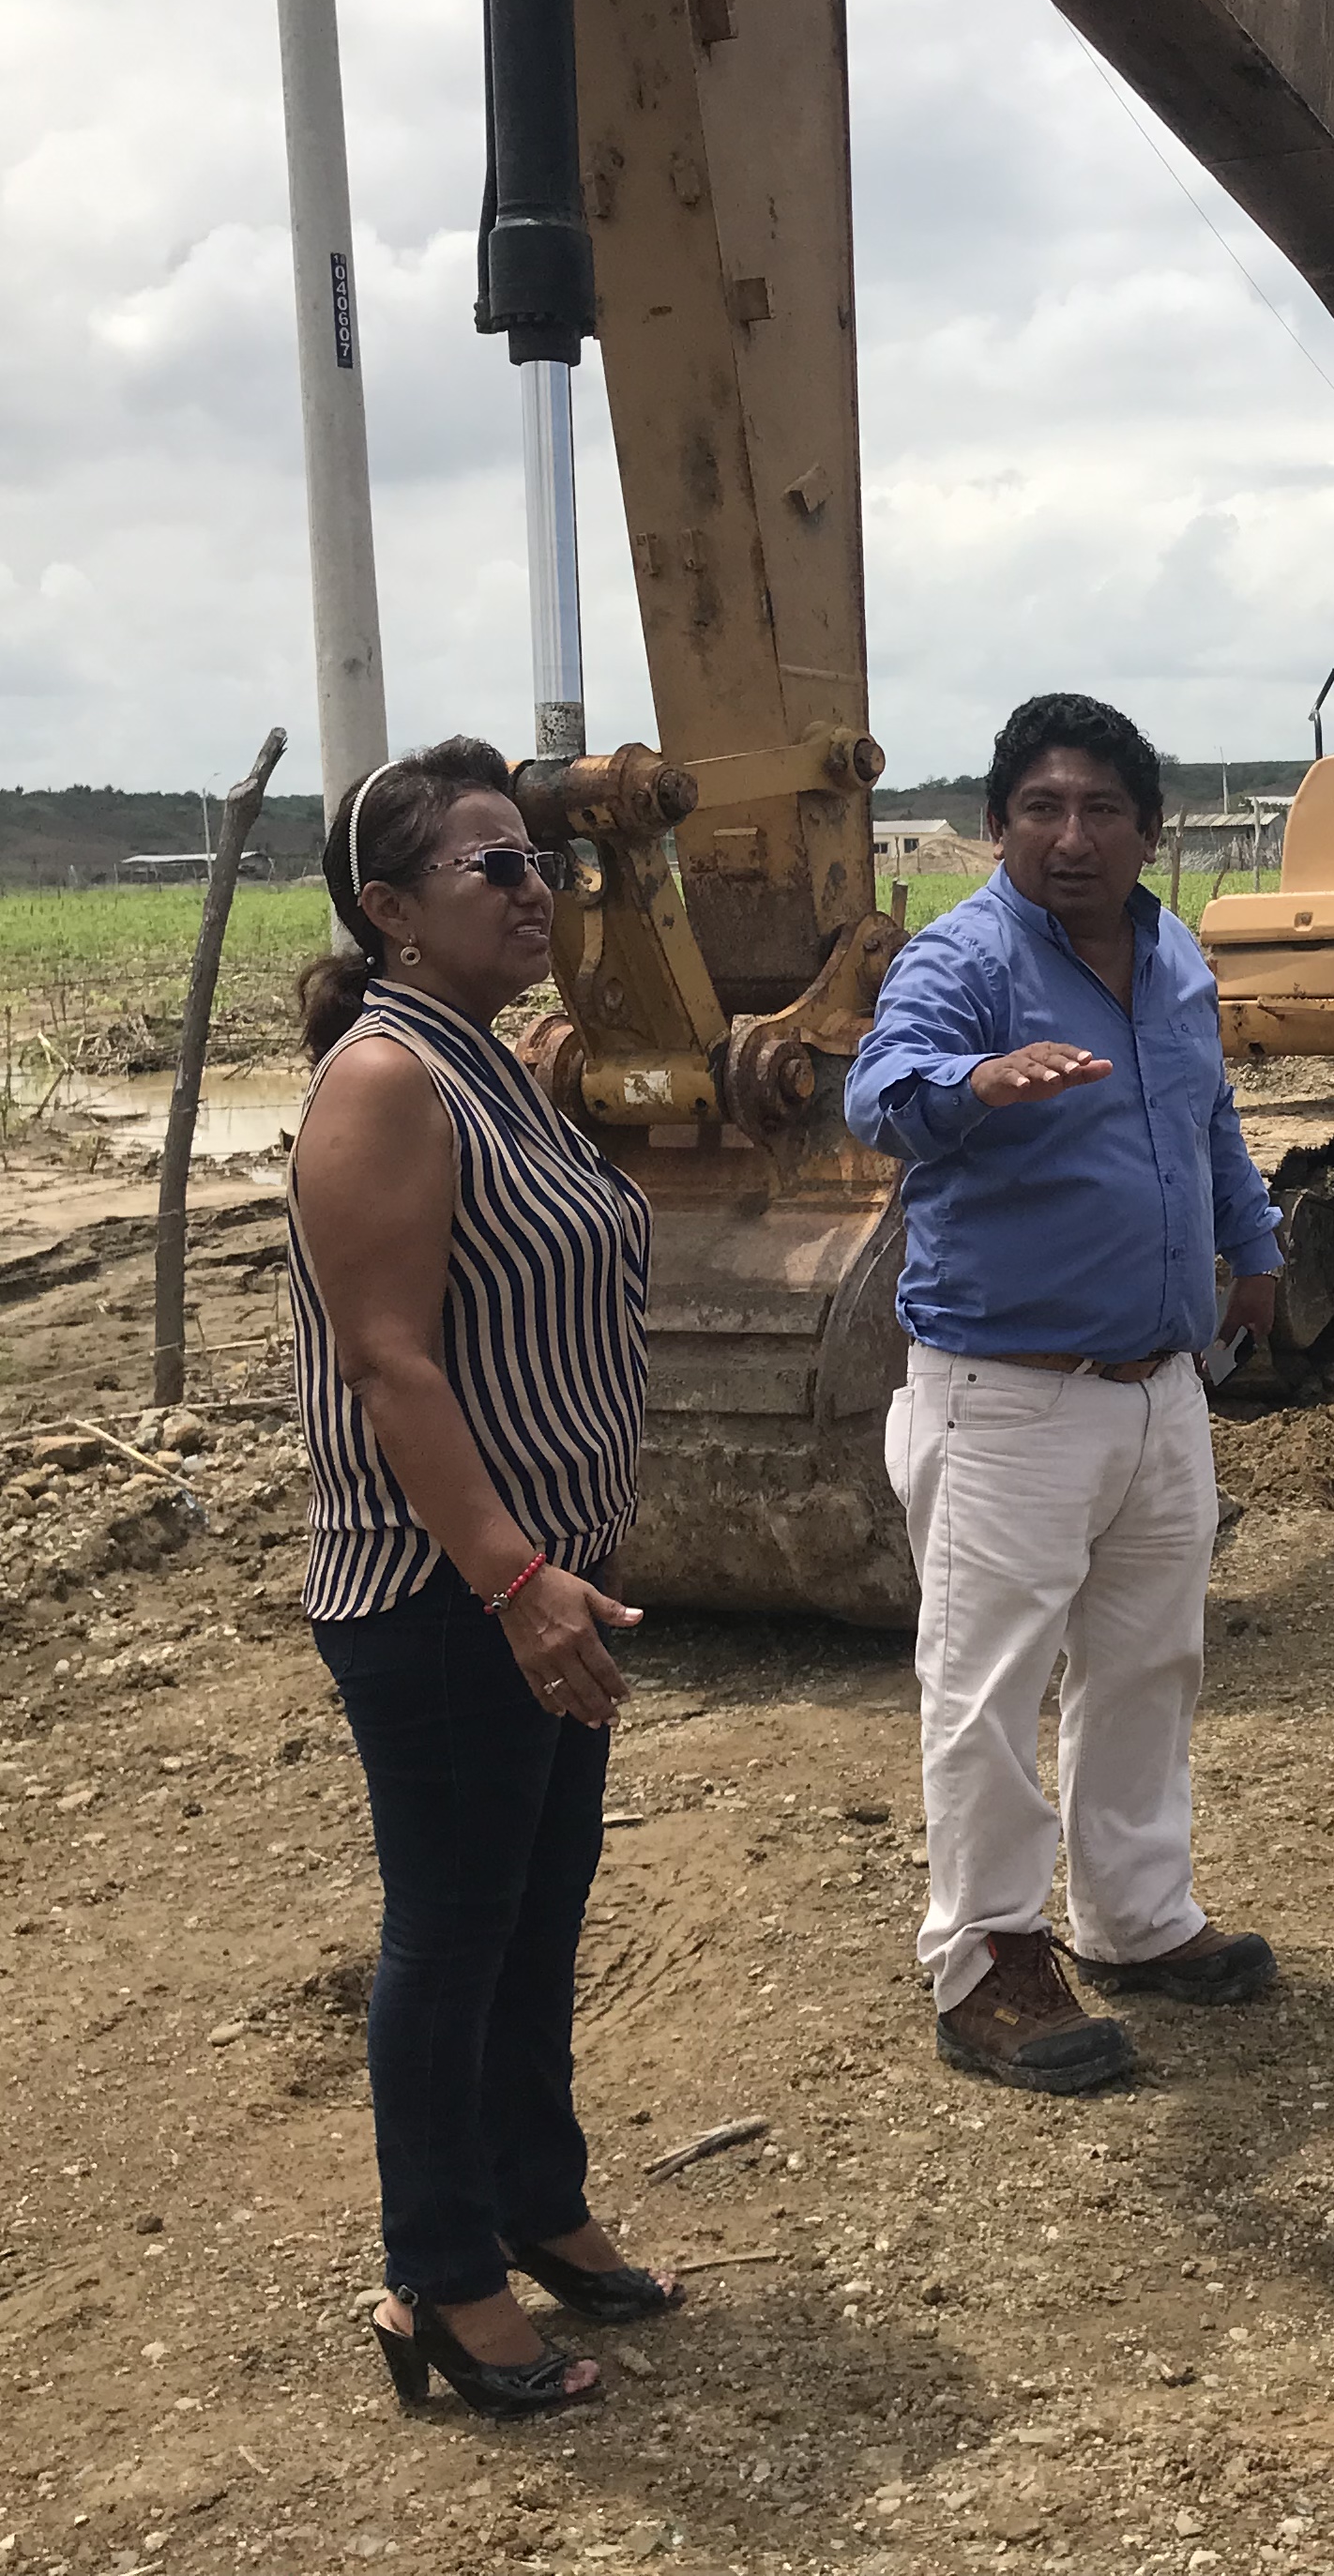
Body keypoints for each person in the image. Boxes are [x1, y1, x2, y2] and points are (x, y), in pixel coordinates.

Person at [288, 738, 675, 2416]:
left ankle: (537, 2200)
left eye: (544, 863)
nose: (540, 891)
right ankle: (438, 2278)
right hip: (444, 1589)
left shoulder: (497, 1062)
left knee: (537, 1910)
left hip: (542, 1574)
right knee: (454, 1932)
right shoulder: (388, 1080)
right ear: (389, 909)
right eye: (497, 866)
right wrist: (517, 1578)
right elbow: (389, 1361)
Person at [846, 693, 1284, 2094]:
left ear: (1151, 831)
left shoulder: (1173, 954)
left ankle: (1136, 1916)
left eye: (1102, 809)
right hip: (1008, 1397)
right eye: (1041, 808)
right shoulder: (964, 958)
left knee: (1149, 1663)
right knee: (988, 1688)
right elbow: (879, 1093)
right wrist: (979, 1081)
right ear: (996, 827)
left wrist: (1255, 1247)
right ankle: (986, 1963)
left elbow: (1208, 1115)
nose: (1072, 836)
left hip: (1159, 1387)